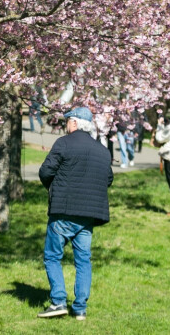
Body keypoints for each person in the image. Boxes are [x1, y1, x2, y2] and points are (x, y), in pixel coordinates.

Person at [37, 106, 114, 321]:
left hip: (63, 210)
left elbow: (45, 171)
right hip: (87, 216)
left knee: (52, 256)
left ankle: (58, 301)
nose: (65, 124)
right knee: (83, 261)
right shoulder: (102, 150)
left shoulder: (63, 143)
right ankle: (80, 308)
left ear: (74, 123)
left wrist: (53, 188)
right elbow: (108, 179)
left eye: (67, 121)